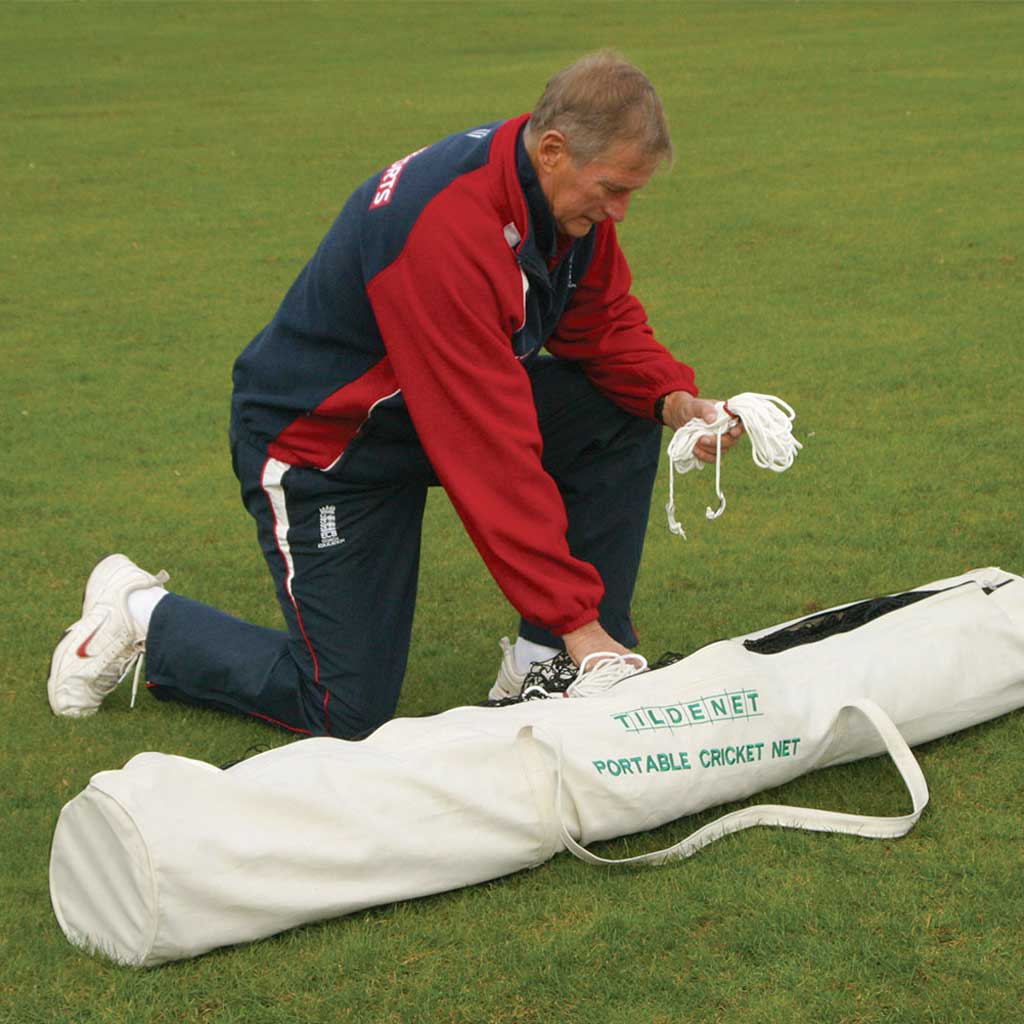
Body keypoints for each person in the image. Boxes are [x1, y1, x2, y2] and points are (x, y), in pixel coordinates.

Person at [47, 51, 743, 738]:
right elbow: (487, 449)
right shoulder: (445, 228)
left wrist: (678, 402)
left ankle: (547, 669)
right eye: (614, 188)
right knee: (344, 709)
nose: (621, 210)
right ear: (555, 149)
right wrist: (579, 619)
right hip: (322, 447)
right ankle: (140, 616)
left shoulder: (559, 200)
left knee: (614, 413)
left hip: (415, 411)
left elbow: (602, 322)